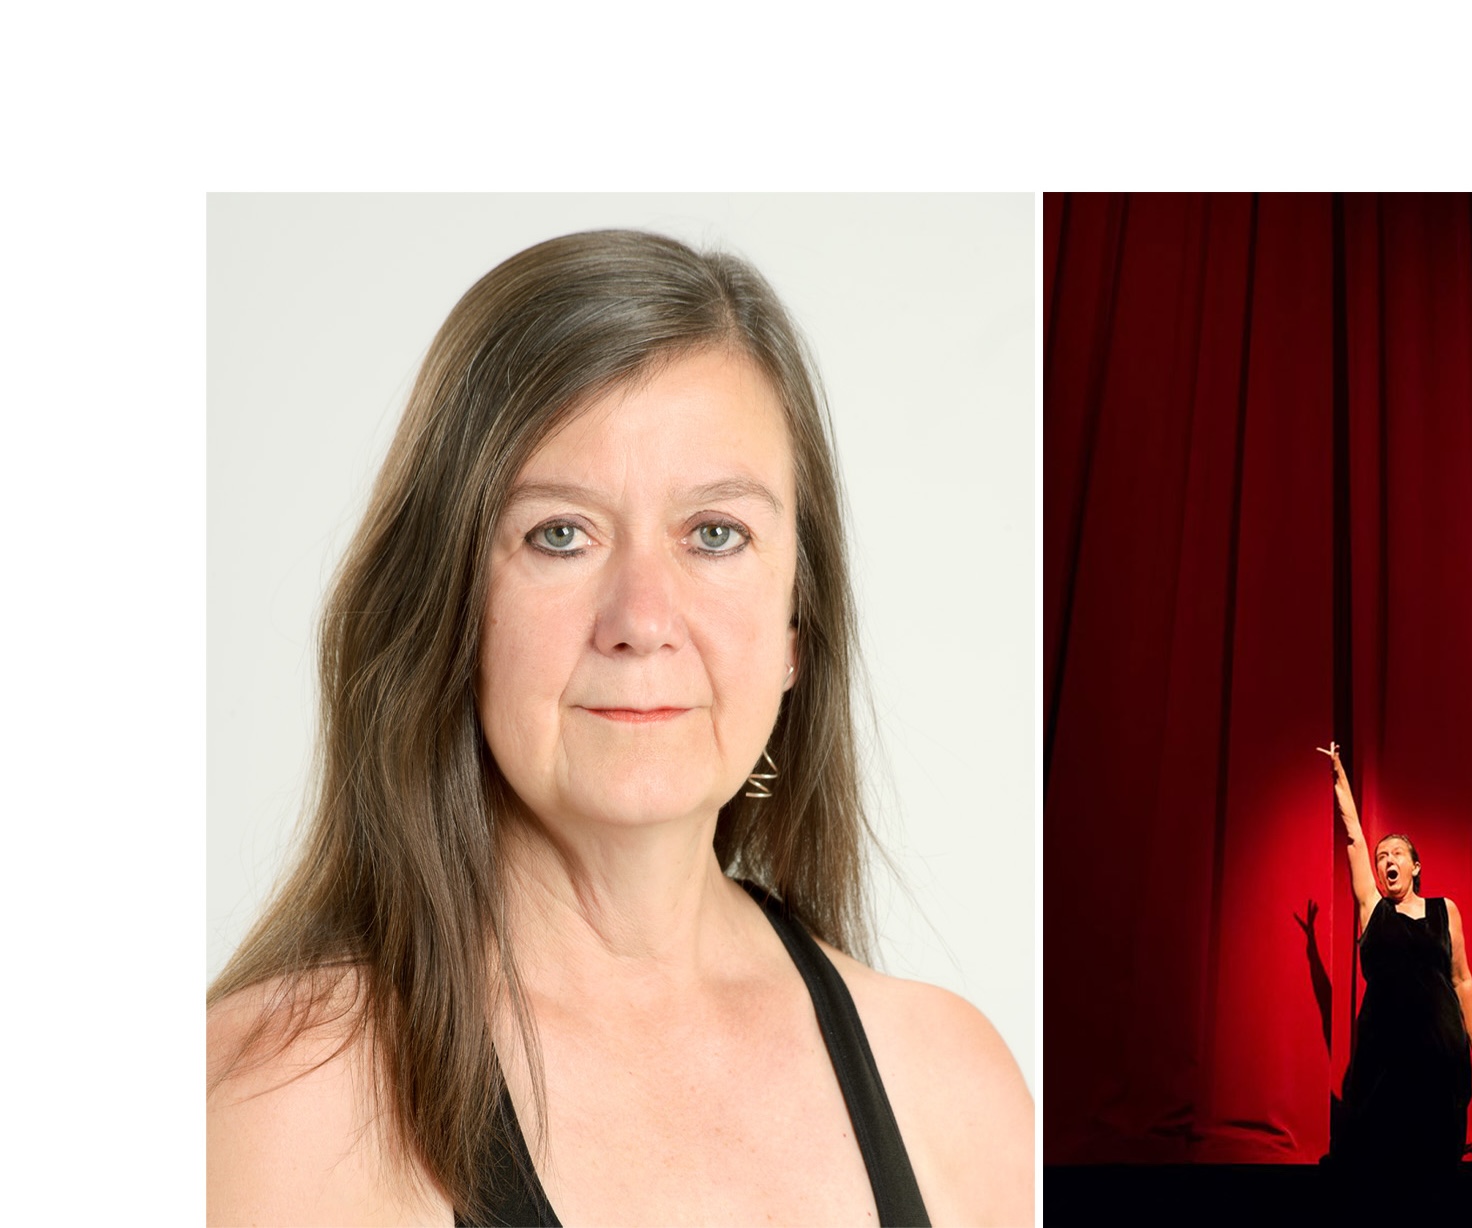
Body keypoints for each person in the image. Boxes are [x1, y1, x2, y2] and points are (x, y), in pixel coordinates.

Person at [206, 230, 1033, 1226]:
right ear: (450, 610)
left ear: (794, 631)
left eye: (715, 534)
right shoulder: (269, 1101)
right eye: (560, 534)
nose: (642, 620)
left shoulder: (954, 1090)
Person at [1317, 741, 1472, 1174]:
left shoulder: (1446, 910)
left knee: (1434, 1152)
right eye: (1381, 855)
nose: (1387, 859)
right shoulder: (1373, 908)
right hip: (1384, 1048)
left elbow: (1461, 979)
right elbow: (1352, 834)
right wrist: (1339, 777)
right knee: (1378, 1153)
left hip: (1440, 1047)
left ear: (1416, 867)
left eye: (1396, 854)